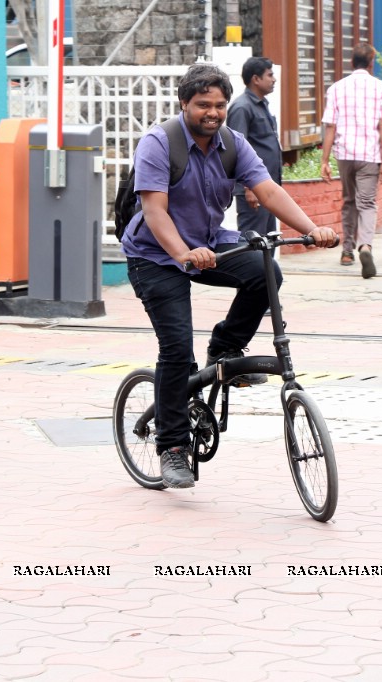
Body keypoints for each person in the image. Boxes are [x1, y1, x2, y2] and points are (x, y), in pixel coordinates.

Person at [121, 63, 337, 489]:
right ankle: (173, 448)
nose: (213, 112)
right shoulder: (158, 143)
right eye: (203, 104)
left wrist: (310, 229)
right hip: (155, 254)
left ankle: (224, 349)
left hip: (208, 242)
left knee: (265, 271)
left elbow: (269, 189)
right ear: (184, 104)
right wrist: (183, 253)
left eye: (220, 104)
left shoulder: (232, 144)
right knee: (177, 347)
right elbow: (154, 209)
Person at [320, 42, 382, 279]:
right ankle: (365, 246)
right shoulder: (381, 88)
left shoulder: (336, 89)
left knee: (349, 200)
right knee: (367, 203)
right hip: (369, 155)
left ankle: (347, 251)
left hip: (344, 154)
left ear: (352, 63)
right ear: (372, 63)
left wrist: (324, 160)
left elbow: (330, 126)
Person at [228, 57, 284, 237]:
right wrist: (248, 187)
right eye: (270, 75)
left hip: (268, 188)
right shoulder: (242, 107)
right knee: (252, 241)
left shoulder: (261, 105)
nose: (273, 79)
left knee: (269, 239)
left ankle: (267, 267)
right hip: (254, 189)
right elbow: (237, 149)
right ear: (256, 79)